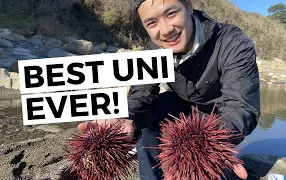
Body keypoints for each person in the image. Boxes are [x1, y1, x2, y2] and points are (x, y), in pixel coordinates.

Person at [78, 0, 260, 179]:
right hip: (180, 104)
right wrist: (126, 118)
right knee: (145, 115)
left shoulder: (231, 43)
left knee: (207, 169)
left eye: (171, 13)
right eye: (151, 23)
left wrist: (215, 142)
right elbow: (142, 93)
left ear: (188, 6)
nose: (166, 30)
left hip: (217, 116)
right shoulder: (152, 50)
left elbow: (240, 106)